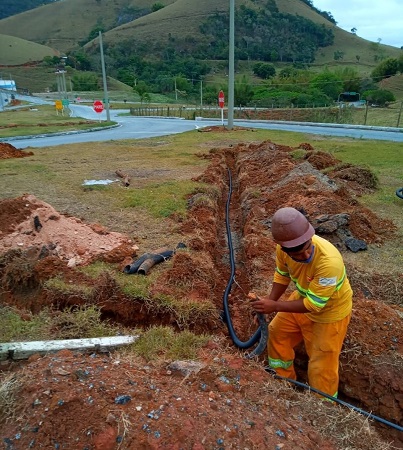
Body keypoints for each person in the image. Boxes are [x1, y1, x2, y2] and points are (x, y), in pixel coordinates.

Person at [250, 207, 353, 398]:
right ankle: (284, 383)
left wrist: (275, 306)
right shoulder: (283, 250)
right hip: (302, 299)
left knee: (321, 363)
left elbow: (314, 305)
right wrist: (269, 303)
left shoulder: (329, 262)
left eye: (307, 249)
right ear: (284, 248)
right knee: (277, 332)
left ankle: (322, 405)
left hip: (330, 312)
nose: (305, 256)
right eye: (297, 255)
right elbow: (282, 275)